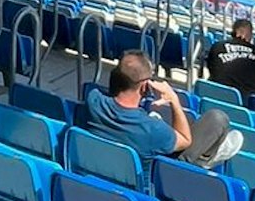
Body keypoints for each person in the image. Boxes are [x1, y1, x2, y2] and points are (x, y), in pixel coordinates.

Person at [84, 50, 241, 170]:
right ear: (145, 85)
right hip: (155, 178)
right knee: (217, 118)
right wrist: (173, 99)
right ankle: (204, 159)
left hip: (101, 171)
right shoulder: (153, 129)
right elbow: (186, 140)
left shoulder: (93, 100)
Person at [203, 18, 255, 102]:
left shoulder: (217, 47)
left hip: (213, 98)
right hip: (244, 105)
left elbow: (211, 71)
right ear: (248, 35)